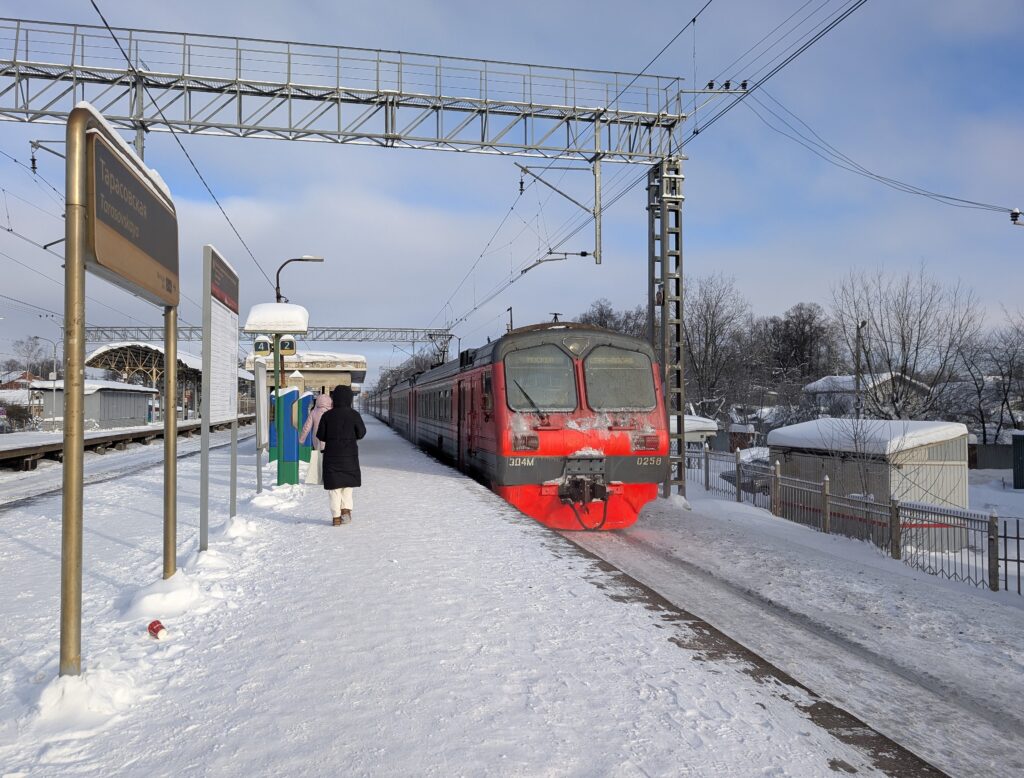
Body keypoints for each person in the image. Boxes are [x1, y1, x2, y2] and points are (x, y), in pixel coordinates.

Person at [316, 384, 366, 526]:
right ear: (349, 398)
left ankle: (336, 518)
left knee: (334, 488)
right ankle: (345, 510)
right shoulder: (354, 415)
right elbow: (361, 433)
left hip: (331, 457)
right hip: (350, 456)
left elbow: (321, 435)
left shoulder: (327, 415)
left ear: (334, 398)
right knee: (347, 486)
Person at [299, 391, 332, 485]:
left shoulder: (314, 412)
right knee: (329, 458)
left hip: (317, 439)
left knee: (319, 458)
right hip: (330, 439)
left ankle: (319, 476)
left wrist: (301, 439)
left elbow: (307, 427)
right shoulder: (332, 412)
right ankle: (327, 477)